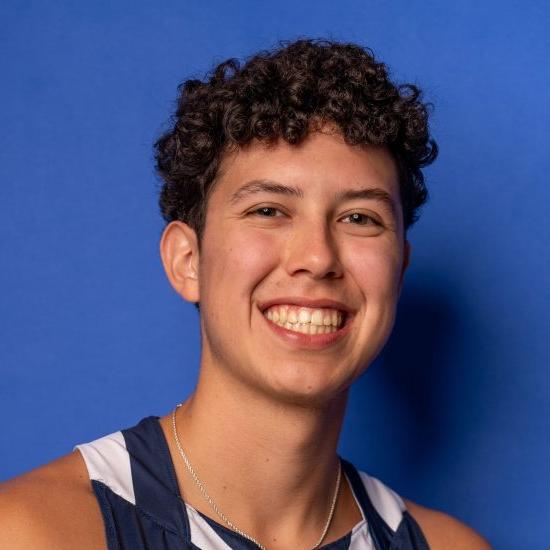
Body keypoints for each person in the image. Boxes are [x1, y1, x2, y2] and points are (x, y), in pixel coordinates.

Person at [0, 39, 491, 549]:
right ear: (188, 261)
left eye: (359, 218)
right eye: (269, 210)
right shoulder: (34, 532)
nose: (318, 257)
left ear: (399, 270)